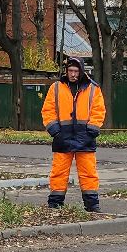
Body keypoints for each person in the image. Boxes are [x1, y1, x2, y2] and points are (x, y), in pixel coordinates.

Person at [43, 57, 106, 212]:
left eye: (76, 71)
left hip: (84, 136)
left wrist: (92, 130)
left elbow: (99, 110)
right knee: (59, 171)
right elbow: (48, 110)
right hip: (62, 137)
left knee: (88, 172)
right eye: (70, 71)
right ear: (66, 71)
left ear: (81, 71)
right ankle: (55, 203)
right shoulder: (56, 88)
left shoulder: (93, 88)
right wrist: (55, 131)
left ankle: (92, 205)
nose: (73, 74)